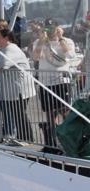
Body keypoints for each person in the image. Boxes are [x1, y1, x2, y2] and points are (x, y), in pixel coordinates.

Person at [31, 21, 77, 149]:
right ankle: (53, 141)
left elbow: (70, 55)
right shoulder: (39, 42)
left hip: (61, 81)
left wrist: (60, 38)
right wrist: (41, 41)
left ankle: (71, 140)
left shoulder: (67, 41)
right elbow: (35, 57)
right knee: (50, 113)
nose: (50, 30)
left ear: (58, 28)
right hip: (46, 82)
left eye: (52, 27)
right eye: (48, 27)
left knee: (65, 112)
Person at [0, 27, 36, 143]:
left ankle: (27, 139)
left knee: (19, 113)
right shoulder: (2, 49)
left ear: (7, 38)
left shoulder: (11, 49)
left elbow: (2, 65)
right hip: (11, 89)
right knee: (15, 113)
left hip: (20, 89)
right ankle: (20, 138)